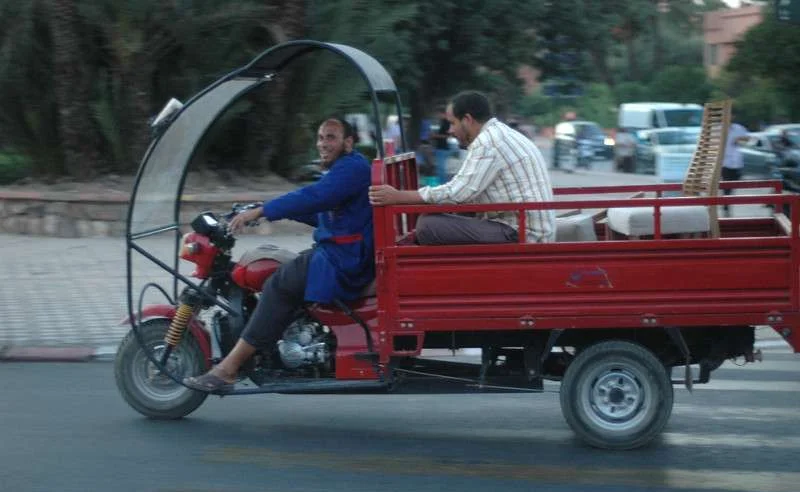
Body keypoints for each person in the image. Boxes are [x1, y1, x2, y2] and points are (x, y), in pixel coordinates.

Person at [184, 117, 374, 392]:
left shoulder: (352, 168)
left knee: (279, 284)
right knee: (276, 268)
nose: (323, 144)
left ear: (348, 142)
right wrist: (267, 211)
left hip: (344, 259)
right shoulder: (347, 167)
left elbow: (316, 196)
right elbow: (321, 211)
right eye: (320, 137)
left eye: (331, 137)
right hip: (342, 253)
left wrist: (263, 211)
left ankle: (227, 370)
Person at [369, 90, 556, 245]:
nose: (450, 130)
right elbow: (463, 191)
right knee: (440, 214)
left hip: (522, 233)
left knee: (428, 225)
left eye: (452, 123)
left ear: (467, 119)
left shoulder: (488, 142)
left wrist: (399, 196)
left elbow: (457, 193)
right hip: (523, 227)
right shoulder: (498, 134)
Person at [721, 113, 750, 216]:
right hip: (723, 161)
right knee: (726, 183)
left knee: (734, 182)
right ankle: (726, 204)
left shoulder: (738, 128)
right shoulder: (718, 129)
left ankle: (726, 200)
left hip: (736, 161)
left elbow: (747, 138)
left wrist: (740, 139)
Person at [430, 107, 452, 184]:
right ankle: (441, 183)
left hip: (443, 148)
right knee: (439, 168)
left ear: (443, 113)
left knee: (441, 168)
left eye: (438, 114)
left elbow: (448, 136)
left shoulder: (447, 123)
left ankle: (442, 183)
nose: (438, 116)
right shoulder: (443, 122)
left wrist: (435, 136)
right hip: (440, 147)